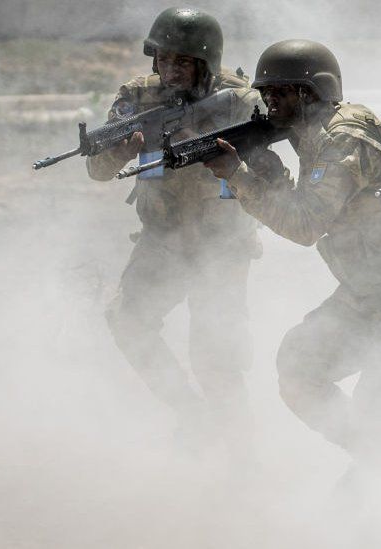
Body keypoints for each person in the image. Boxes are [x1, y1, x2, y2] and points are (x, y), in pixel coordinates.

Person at [205, 39, 381, 483]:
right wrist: (269, 174)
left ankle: (377, 500)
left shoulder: (343, 141)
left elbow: (306, 225)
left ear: (311, 93)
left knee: (372, 417)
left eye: (280, 93)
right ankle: (377, 465)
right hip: (369, 289)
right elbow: (315, 203)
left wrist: (238, 176)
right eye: (266, 94)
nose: (269, 103)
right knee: (298, 368)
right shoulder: (318, 135)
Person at [87, 7, 263, 459]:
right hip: (162, 238)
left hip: (222, 244)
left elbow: (268, 166)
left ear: (206, 63)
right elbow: (97, 169)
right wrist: (120, 151)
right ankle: (190, 412)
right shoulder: (136, 96)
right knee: (128, 321)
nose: (169, 71)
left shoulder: (239, 99)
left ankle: (244, 455)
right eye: (162, 59)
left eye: (181, 62)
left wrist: (201, 135)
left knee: (215, 355)